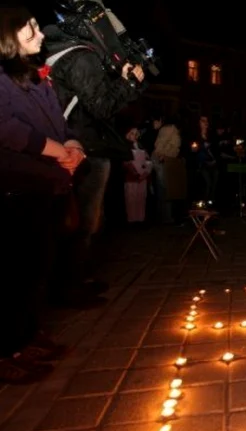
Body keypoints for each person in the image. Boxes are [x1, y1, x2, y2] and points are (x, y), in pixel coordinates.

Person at [0, 5, 85, 383]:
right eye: (29, 29)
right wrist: (56, 150)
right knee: (14, 271)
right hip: (14, 187)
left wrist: (73, 145)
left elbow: (59, 121)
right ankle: (7, 351)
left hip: (46, 185)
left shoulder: (37, 77)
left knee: (38, 267)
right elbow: (8, 130)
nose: (41, 35)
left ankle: (27, 335)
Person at [41, 5, 146, 298]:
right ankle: (71, 286)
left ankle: (73, 278)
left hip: (71, 142)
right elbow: (101, 106)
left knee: (74, 218)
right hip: (84, 145)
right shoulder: (81, 57)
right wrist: (129, 84)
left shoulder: (60, 50)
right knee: (85, 220)